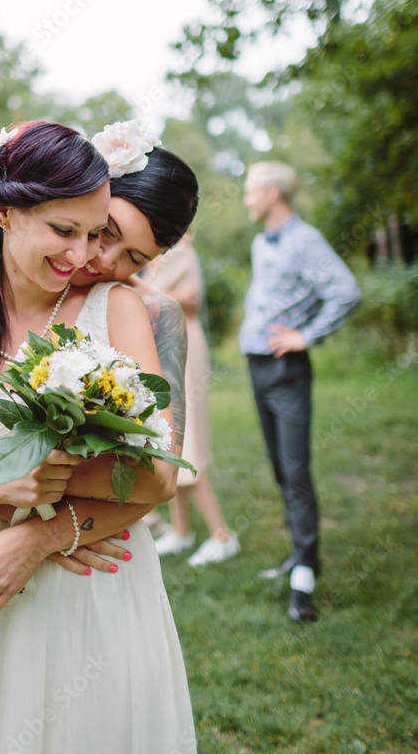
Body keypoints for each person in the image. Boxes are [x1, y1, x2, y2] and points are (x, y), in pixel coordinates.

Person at [0, 121, 197, 754]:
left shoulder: (133, 312)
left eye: (119, 249)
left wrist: (39, 518)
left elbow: (161, 473)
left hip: (89, 583)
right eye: (87, 232)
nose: (91, 258)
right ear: (5, 210)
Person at [239, 161, 361, 623]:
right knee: (278, 469)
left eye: (251, 191)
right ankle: (300, 552)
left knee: (296, 472)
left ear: (272, 194)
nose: (247, 199)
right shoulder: (259, 241)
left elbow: (345, 291)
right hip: (257, 366)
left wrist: (306, 336)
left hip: (287, 368)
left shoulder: (305, 240)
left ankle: (305, 578)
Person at [141, 236, 240, 566]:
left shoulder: (181, 250)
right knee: (166, 435)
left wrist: (141, 295)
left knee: (186, 440)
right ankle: (181, 529)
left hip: (183, 342)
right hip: (162, 341)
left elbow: (193, 299)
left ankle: (222, 535)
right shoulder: (155, 254)